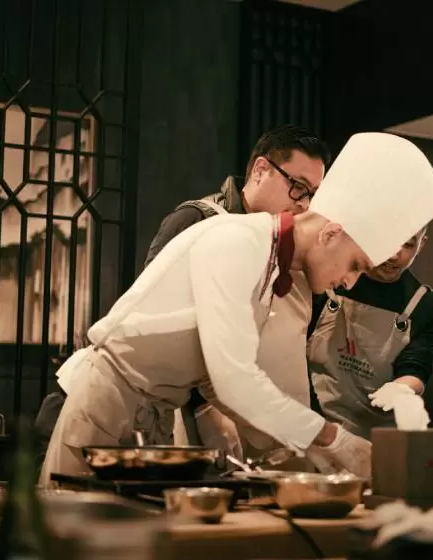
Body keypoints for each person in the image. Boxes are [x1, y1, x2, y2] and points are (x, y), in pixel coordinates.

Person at [38, 131, 433, 485]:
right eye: (354, 264)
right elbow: (234, 376)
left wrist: (298, 452)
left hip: (154, 417)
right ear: (331, 233)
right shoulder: (236, 241)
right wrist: (329, 438)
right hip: (107, 404)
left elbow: (221, 378)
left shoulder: (271, 262)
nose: (351, 281)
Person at [34, 124, 330, 469]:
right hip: (120, 401)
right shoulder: (203, 221)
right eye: (297, 187)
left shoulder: (273, 249)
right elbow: (159, 323)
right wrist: (205, 407)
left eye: (312, 195)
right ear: (261, 170)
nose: (303, 205)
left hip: (170, 406)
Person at [307, 227, 433, 439]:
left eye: (408, 244)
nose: (394, 255)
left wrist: (401, 389)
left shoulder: (425, 305)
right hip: (315, 421)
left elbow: (416, 367)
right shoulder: (330, 278)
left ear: (421, 245)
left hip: (377, 436)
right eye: (388, 239)